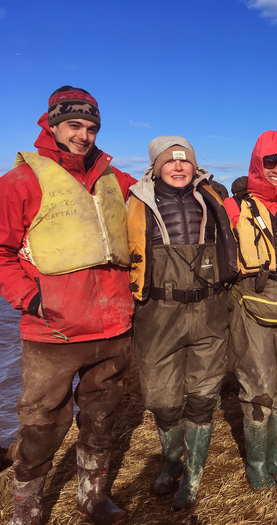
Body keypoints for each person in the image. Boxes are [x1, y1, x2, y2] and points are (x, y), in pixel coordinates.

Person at [0, 86, 135, 525]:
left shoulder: (116, 180)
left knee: (102, 419)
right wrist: (31, 298)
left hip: (113, 328)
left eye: (92, 127)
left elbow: (161, 193)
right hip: (53, 332)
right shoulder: (20, 181)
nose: (84, 135)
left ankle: (92, 498)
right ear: (52, 124)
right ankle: (27, 511)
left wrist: (200, 180)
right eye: (75, 125)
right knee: (41, 426)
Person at [127, 137, 237, 508]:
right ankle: (171, 463)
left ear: (194, 165)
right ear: (156, 167)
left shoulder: (213, 197)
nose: (178, 168)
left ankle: (192, 478)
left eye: (185, 162)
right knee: (162, 399)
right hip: (158, 313)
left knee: (204, 396)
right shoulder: (135, 202)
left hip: (210, 308)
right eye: (170, 162)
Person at [224, 130, 277, 490]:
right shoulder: (233, 207)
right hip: (249, 303)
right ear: (258, 163)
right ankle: (256, 464)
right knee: (257, 387)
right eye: (271, 161)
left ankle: (276, 459)